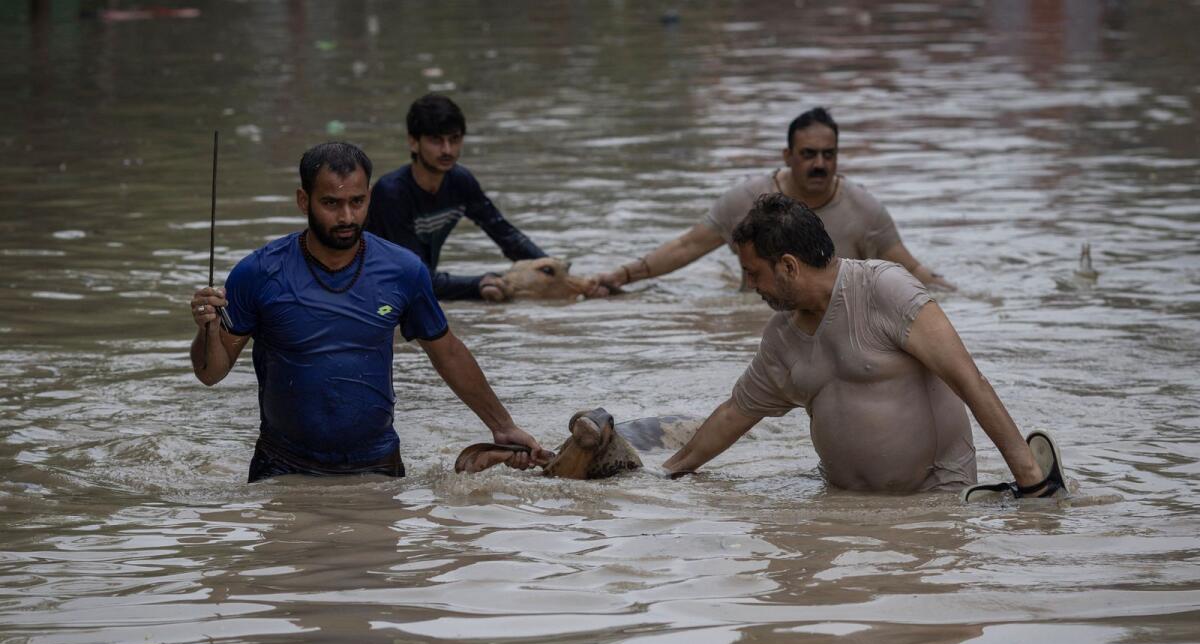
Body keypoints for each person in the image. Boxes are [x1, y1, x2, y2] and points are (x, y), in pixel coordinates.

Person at [189, 141, 550, 482]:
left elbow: (448, 352)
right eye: (331, 203)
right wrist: (205, 327)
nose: (347, 216)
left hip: (376, 464)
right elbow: (211, 372)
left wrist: (501, 426)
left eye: (357, 202)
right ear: (304, 200)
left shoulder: (403, 270)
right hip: (283, 467)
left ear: (370, 198)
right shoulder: (258, 273)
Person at [661, 193, 1060, 496]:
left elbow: (970, 381)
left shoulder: (886, 289)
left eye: (753, 273)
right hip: (841, 504)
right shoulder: (780, 338)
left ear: (788, 266)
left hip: (935, 502)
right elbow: (735, 413)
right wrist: (664, 475)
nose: (749, 286)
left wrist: (1030, 480)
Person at [592, 107, 955, 294]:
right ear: (787, 155)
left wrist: (970, 300)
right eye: (809, 153)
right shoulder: (746, 200)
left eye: (829, 155)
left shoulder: (865, 210)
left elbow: (912, 270)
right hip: (757, 311)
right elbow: (687, 246)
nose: (820, 164)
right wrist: (622, 276)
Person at [365, 93, 551, 302]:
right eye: (436, 140)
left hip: (415, 289)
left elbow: (507, 236)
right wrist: (479, 283)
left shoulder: (460, 182)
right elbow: (415, 277)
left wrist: (556, 270)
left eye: (454, 140)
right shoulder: (392, 193)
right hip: (375, 296)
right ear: (413, 142)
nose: (447, 150)